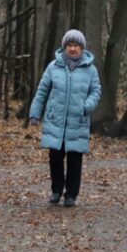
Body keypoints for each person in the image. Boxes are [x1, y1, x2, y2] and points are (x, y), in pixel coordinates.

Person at [29, 30, 101, 207]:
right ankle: (56, 190)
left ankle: (71, 194)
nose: (73, 49)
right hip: (56, 121)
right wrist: (34, 113)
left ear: (82, 48)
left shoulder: (90, 70)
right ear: (64, 47)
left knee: (75, 160)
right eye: (70, 45)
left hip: (78, 121)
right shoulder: (53, 67)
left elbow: (96, 91)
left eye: (76, 45)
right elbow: (42, 91)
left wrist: (87, 105)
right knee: (55, 158)